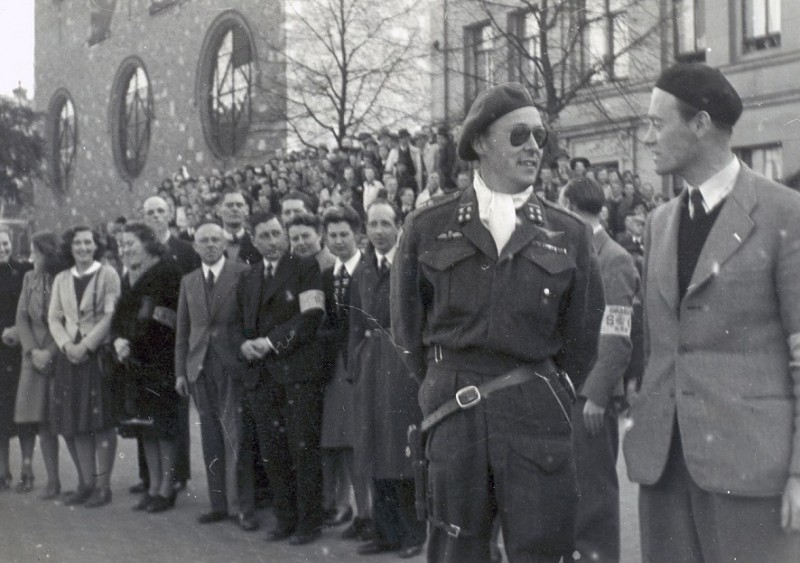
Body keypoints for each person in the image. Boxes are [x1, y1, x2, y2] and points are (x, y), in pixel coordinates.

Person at [392, 82, 604, 563]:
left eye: (540, 137)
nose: (534, 146)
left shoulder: (568, 232)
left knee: (542, 548)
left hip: (535, 407)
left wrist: (541, 388)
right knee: (455, 549)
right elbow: (407, 331)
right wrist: (445, 380)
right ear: (481, 142)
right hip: (453, 409)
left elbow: (582, 338)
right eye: (519, 135)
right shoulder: (427, 227)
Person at [623, 62, 800, 563]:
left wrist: (799, 475)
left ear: (700, 124)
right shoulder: (659, 223)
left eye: (657, 124)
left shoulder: (786, 213)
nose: (647, 137)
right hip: (664, 469)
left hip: (750, 474)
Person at [561, 177, 640, 563]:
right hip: (565, 391)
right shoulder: (571, 250)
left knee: (596, 498)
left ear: (572, 207)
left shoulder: (613, 258)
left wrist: (597, 394)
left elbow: (618, 337)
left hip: (591, 398)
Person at [235, 211, 326, 546]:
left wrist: (271, 343)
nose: (273, 241)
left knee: (302, 450)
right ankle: (285, 518)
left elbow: (311, 316)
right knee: (273, 452)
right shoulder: (248, 277)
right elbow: (238, 323)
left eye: (277, 234)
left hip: (296, 373)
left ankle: (309, 523)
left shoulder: (304, 268)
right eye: (265, 236)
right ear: (254, 240)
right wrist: (244, 345)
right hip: (261, 377)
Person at [351, 199, 426, 559]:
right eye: (373, 224)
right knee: (375, 444)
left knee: (403, 446)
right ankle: (385, 530)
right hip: (371, 363)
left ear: (398, 227)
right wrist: (356, 359)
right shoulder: (365, 268)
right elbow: (354, 320)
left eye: (385, 223)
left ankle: (412, 532)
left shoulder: (411, 264)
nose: (379, 231)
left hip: (402, 364)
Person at [174, 221, 257, 530]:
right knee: (210, 438)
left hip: (231, 364)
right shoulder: (189, 281)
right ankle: (218, 504)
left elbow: (250, 321)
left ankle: (242, 508)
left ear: (225, 245)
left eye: (215, 240)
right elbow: (183, 331)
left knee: (235, 436)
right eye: (203, 240)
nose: (209, 245)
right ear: (195, 246)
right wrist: (181, 371)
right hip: (199, 367)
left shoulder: (241, 274)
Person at [111, 223, 182, 513]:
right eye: (121, 245)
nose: (125, 250)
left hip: (160, 360)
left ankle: (167, 487)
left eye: (130, 243)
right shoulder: (129, 276)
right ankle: (153, 486)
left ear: (148, 244)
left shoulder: (167, 273)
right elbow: (118, 316)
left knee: (163, 427)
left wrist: (131, 341)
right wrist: (117, 340)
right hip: (136, 361)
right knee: (146, 428)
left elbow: (163, 319)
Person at [48, 226, 121, 507]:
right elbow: (54, 317)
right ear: (70, 247)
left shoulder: (108, 274)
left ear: (96, 246)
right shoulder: (61, 279)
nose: (83, 248)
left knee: (100, 422)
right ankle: (86, 483)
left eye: (88, 242)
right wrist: (67, 345)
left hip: (95, 357)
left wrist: (85, 346)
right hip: (70, 358)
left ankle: (103, 486)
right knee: (76, 421)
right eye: (77, 243)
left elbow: (109, 315)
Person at [317, 206, 365, 532]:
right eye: (332, 235)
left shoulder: (368, 271)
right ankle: (346, 505)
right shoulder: (325, 276)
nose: (338, 241)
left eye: (344, 234)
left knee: (358, 440)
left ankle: (366, 510)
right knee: (339, 439)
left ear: (357, 235)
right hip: (333, 366)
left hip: (360, 363)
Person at [12, 232, 65, 499]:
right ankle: (53, 481)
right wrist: (33, 351)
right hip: (33, 358)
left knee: (61, 421)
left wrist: (50, 353)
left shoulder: (62, 280)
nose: (33, 257)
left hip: (59, 355)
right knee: (41, 422)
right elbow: (22, 319)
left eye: (36, 252)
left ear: (47, 253)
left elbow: (67, 322)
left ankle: (86, 482)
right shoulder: (29, 278)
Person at [0, 225, 34, 492]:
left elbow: (33, 306)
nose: (3, 248)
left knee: (24, 411)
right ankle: (3, 470)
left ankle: (27, 468)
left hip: (21, 348)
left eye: (5, 243)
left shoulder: (23, 270)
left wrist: (17, 331)